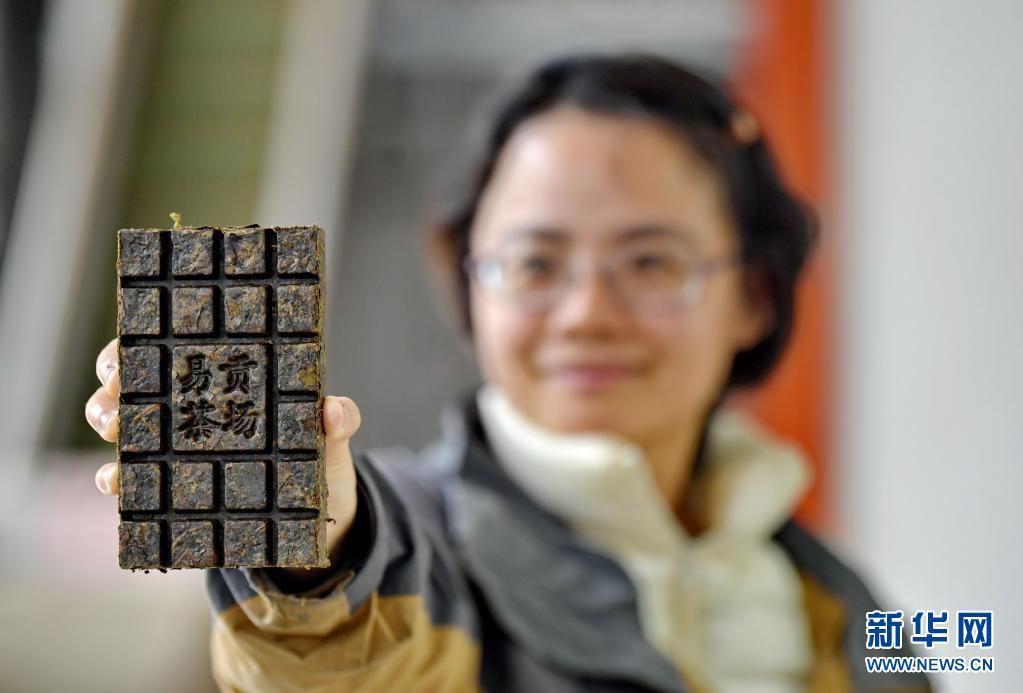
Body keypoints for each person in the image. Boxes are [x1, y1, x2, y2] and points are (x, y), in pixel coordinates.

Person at [86, 54, 932, 692]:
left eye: (650, 261)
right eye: (533, 263)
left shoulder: (845, 595)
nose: (585, 313)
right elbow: (349, 652)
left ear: (752, 296)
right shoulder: (417, 542)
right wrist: (308, 552)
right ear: (471, 285)